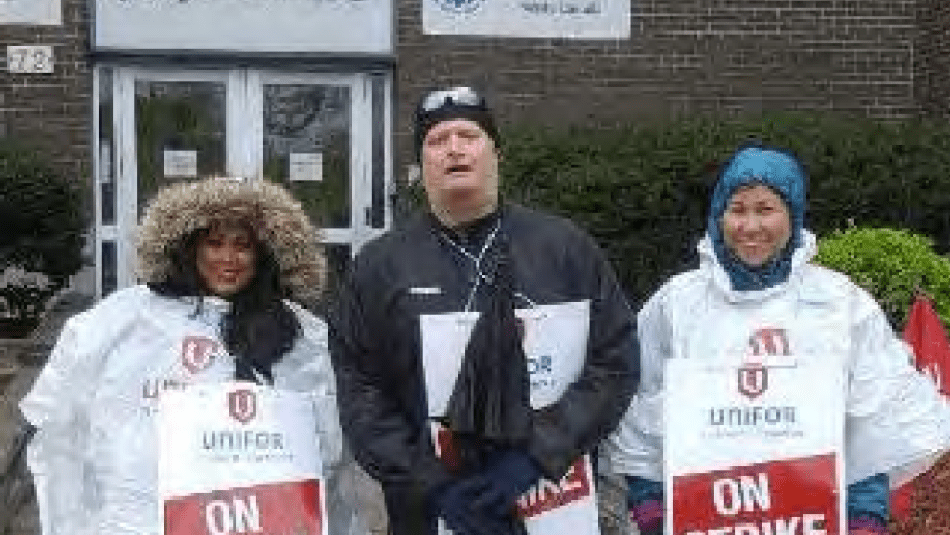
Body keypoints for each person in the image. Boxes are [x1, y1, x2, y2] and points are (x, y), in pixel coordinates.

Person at [328, 85, 639, 535]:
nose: (453, 148)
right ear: (421, 166)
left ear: (495, 151)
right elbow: (361, 392)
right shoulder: (380, 267)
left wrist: (539, 453)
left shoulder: (564, 248)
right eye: (436, 141)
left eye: (468, 135)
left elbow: (614, 361)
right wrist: (433, 485)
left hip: (553, 497)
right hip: (430, 512)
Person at [604, 143, 950, 535]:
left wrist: (864, 516)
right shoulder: (677, 305)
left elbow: (869, 423)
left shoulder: (838, 304)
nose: (751, 227)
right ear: (719, 215)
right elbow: (640, 410)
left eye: (765, 209)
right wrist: (651, 507)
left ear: (793, 215)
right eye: (738, 210)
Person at [19, 176, 362, 535]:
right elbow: (62, 416)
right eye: (214, 243)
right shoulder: (130, 317)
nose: (228, 259)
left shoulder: (300, 333)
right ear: (189, 247)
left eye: (243, 246)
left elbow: (327, 443)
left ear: (262, 256)